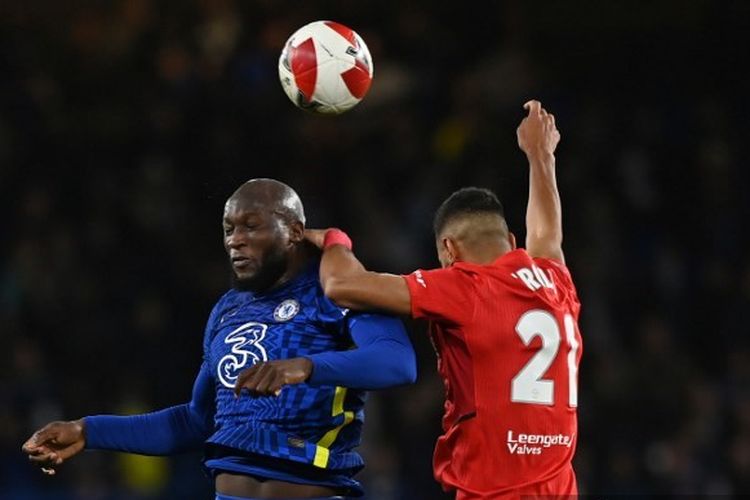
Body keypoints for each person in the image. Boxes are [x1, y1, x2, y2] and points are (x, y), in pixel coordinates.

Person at [22, 179, 417, 500]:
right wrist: (88, 430)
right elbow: (196, 420)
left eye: (251, 225)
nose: (235, 240)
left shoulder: (337, 290)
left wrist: (305, 367)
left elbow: (397, 361)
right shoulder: (227, 311)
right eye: (229, 229)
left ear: (294, 231)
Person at [306, 101, 582, 499]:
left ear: (449, 251)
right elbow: (547, 235)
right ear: (511, 243)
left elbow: (341, 285)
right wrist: (541, 155)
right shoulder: (557, 283)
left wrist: (334, 239)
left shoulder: (465, 286)